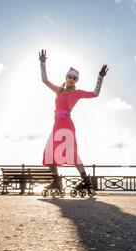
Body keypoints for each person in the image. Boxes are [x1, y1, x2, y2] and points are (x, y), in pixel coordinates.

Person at [39, 49, 108, 191]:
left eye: (74, 78)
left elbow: (95, 93)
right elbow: (45, 80)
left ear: (76, 81)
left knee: (72, 153)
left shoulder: (78, 93)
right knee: (49, 153)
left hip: (67, 125)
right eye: (69, 77)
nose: (71, 79)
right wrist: (42, 62)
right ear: (66, 78)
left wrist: (100, 77)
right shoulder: (58, 90)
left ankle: (86, 181)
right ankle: (56, 181)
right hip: (56, 125)